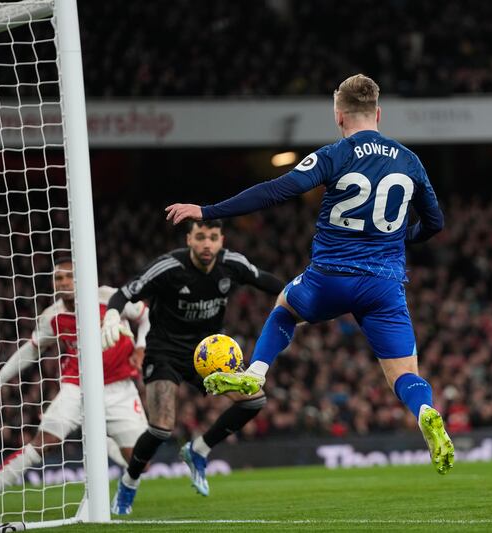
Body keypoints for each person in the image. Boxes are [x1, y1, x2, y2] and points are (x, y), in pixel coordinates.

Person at [165, 74, 454, 475]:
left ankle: (255, 373)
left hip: (330, 276)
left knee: (284, 309)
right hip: (384, 285)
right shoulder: (409, 160)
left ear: (338, 115)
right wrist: (406, 236)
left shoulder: (335, 154)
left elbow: (275, 191)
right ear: (379, 113)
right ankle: (425, 410)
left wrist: (207, 210)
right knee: (404, 374)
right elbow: (435, 222)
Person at [105, 219, 285, 515]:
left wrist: (303, 299)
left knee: (255, 400)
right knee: (162, 428)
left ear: (221, 240)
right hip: (165, 352)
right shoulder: (168, 267)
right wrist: (112, 314)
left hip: (206, 356)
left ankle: (198, 449)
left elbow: (266, 280)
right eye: (200, 237)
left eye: (212, 238)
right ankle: (129, 482)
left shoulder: (231, 265)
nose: (206, 244)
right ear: (189, 239)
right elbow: (125, 292)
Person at [0, 258, 149, 520]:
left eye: (70, 276)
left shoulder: (109, 297)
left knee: (141, 462)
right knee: (41, 445)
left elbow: (147, 315)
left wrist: (141, 346)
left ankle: (101, 439)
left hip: (119, 387)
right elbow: (30, 351)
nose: (65, 282)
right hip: (76, 386)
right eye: (59, 278)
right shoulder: (52, 316)